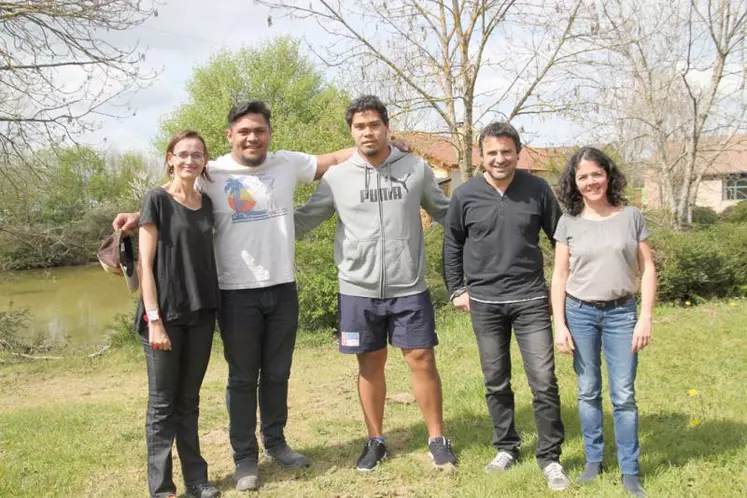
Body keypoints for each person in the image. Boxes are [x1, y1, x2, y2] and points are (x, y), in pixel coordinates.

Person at [115, 100, 357, 492]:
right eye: (244, 131)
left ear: (269, 134)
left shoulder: (286, 163)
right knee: (243, 378)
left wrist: (384, 142)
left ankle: (276, 443)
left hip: (282, 288)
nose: (252, 137)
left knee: (278, 373)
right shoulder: (213, 172)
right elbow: (175, 193)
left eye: (259, 130)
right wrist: (137, 214)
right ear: (230, 137)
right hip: (234, 293)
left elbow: (333, 157)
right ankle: (245, 458)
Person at [294, 95, 457, 472]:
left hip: (409, 286)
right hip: (357, 289)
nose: (367, 132)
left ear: (386, 127)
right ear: (351, 131)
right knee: (369, 364)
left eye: (374, 125)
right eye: (359, 126)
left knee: (422, 359)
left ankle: (437, 439)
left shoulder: (415, 169)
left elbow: (447, 213)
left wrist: (492, 227)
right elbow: (304, 220)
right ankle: (375, 440)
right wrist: (254, 219)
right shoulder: (336, 177)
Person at [442, 121, 570, 490]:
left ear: (518, 152)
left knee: (544, 382)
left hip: (531, 301)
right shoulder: (465, 195)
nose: (500, 158)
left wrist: (563, 287)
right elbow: (452, 244)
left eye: (506, 151)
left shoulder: (537, 190)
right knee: (496, 381)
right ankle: (506, 446)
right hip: (484, 303)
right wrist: (456, 289)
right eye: (492, 152)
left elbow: (560, 238)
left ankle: (550, 458)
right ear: (481, 156)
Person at [550, 147, 656, 497]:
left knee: (624, 395)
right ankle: (594, 461)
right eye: (583, 176)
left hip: (622, 314)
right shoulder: (569, 222)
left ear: (607, 175)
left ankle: (630, 470)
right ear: (574, 182)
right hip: (580, 314)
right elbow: (560, 276)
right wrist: (560, 324)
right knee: (587, 390)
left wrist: (645, 318)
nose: (591, 181)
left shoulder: (631, 217)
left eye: (596, 173)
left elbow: (648, 269)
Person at [136, 130, 221, 498]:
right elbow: (145, 265)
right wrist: (154, 320)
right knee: (162, 404)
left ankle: (197, 480)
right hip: (164, 317)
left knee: (189, 401)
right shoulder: (156, 199)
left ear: (204, 162)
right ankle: (161, 487)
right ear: (170, 157)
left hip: (201, 314)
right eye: (183, 154)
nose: (190, 160)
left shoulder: (207, 204)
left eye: (197, 155)